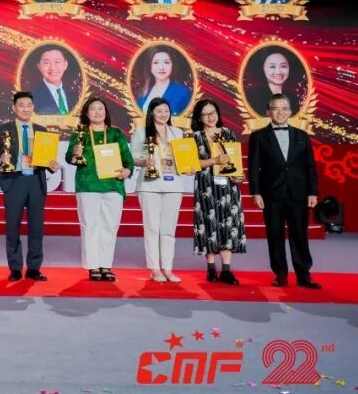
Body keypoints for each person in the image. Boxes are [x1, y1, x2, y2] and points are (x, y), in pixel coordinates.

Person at [248, 94, 320, 289]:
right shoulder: (258, 136)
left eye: (284, 108)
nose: (280, 112)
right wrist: (255, 192)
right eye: (275, 108)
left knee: (300, 235)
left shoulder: (302, 136)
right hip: (271, 194)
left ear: (290, 112)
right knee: (275, 234)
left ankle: (304, 275)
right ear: (268, 112)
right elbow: (253, 167)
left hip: (298, 194)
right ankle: (280, 274)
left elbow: (310, 167)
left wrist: (313, 192)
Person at [66, 97, 134, 282]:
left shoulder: (115, 133)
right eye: (93, 109)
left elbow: (127, 158)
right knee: (90, 226)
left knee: (110, 227)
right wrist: (75, 153)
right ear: (86, 113)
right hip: (87, 186)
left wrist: (127, 171)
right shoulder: (80, 133)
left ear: (106, 112)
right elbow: (69, 157)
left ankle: (106, 265)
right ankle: (93, 266)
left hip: (113, 186)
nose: (97, 112)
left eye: (100, 109)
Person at [0, 91, 59, 281]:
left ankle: (34, 268)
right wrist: (1, 158)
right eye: (21, 105)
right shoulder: (5, 129)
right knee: (13, 227)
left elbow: (47, 157)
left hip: (36, 181)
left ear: (33, 108)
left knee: (36, 227)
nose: (25, 109)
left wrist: (52, 165)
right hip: (14, 181)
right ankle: (15, 268)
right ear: (14, 108)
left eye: (29, 105)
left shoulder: (41, 130)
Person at [130, 98, 191, 283]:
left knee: (169, 230)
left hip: (173, 185)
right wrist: (143, 161)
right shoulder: (140, 133)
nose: (163, 114)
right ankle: (155, 269)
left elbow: (185, 158)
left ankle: (168, 269)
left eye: (166, 111)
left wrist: (189, 166)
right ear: (151, 113)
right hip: (150, 185)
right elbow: (132, 158)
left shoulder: (177, 133)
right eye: (159, 111)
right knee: (151, 228)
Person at [190, 99, 246, 285]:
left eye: (212, 113)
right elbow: (190, 164)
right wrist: (214, 161)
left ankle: (227, 270)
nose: (210, 117)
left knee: (228, 226)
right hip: (206, 186)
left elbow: (235, 161)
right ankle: (211, 268)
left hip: (228, 188)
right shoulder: (194, 137)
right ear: (199, 117)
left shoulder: (228, 133)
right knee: (208, 225)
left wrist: (238, 175)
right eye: (205, 114)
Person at [134, 46, 193, 115]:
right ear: (150, 66)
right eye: (156, 62)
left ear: (172, 65)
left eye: (166, 62)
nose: (161, 67)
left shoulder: (183, 93)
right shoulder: (142, 92)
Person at [247, 50, 301, 116]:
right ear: (263, 69)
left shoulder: (293, 99)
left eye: (283, 66)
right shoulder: (254, 98)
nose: (278, 72)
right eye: (272, 67)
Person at [29, 47, 76, 115]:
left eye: (57, 62)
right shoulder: (31, 97)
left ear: (65, 65)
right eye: (46, 63)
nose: (52, 67)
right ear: (39, 67)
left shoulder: (74, 96)